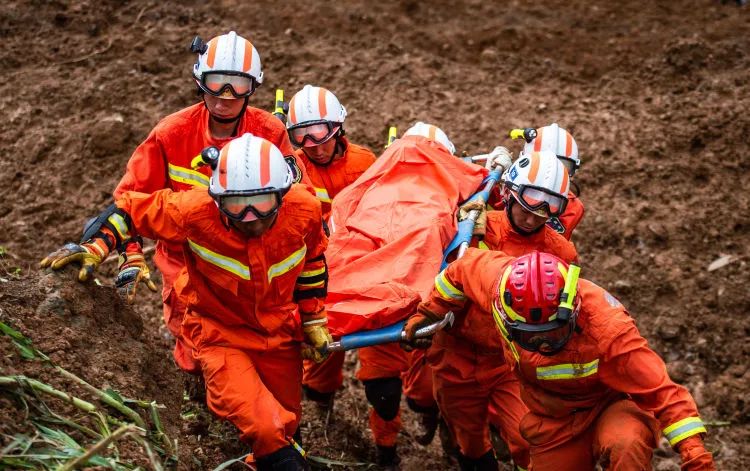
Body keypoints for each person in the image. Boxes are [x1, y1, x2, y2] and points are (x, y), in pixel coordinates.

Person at [42, 134, 330, 470]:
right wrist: (95, 246)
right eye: (237, 205)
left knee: (287, 424)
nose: (250, 217)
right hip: (220, 335)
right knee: (266, 427)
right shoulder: (193, 210)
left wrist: (312, 320)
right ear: (217, 196)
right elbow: (130, 212)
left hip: (280, 333)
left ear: (283, 194)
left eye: (262, 203)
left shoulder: (305, 210)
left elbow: (313, 263)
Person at [107, 31, 310, 372]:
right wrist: (129, 255)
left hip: (251, 257)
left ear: (253, 87)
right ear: (200, 81)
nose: (224, 97)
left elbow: (295, 197)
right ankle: (200, 407)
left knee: (263, 343)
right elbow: (129, 199)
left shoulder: (270, 131)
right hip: (184, 262)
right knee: (194, 347)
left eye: (237, 86)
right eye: (216, 84)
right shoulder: (171, 134)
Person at [405, 250, 716, 471]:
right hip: (553, 419)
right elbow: (458, 271)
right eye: (530, 337)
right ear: (504, 316)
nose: (542, 344)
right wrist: (430, 311)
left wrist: (694, 454)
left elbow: (663, 391)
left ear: (573, 310)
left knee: (626, 444)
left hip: (609, 406)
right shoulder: (498, 285)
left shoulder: (608, 330)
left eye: (553, 335)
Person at [405, 150, 576, 471]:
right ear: (510, 191)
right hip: (455, 357)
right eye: (529, 199)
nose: (534, 214)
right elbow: (443, 273)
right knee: (469, 442)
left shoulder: (561, 251)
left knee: (528, 437)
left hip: (508, 361)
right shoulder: (474, 229)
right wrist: (426, 316)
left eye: (548, 206)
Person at [286, 85, 376, 221]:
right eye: (309, 146)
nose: (318, 152)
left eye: (324, 142)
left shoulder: (365, 162)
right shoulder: (295, 169)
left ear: (338, 131)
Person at [516, 123, 583, 240]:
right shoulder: (503, 185)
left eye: (562, 165)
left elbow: (550, 244)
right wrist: (490, 174)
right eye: (540, 161)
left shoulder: (572, 208)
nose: (552, 171)